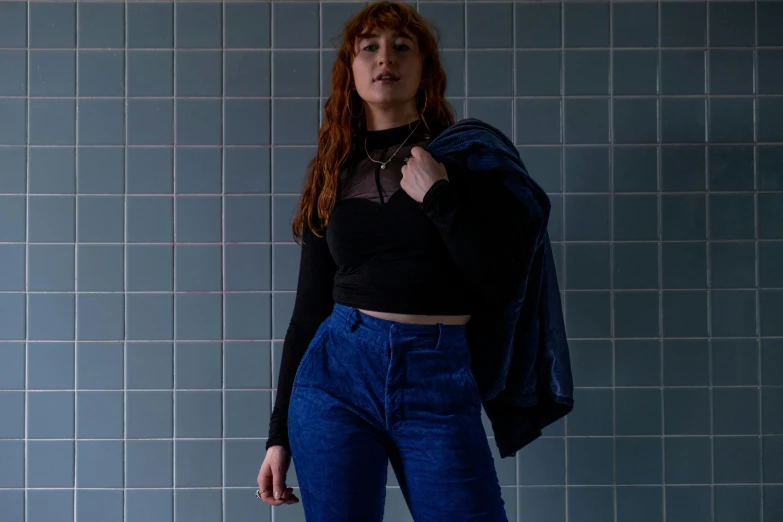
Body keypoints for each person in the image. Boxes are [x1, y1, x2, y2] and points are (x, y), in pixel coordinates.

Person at [256, 2, 573, 521]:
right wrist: (278, 437)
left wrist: (440, 198)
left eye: (402, 47)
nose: (386, 58)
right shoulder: (333, 172)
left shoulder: (466, 159)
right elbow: (308, 311)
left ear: (425, 69)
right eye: (370, 48)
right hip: (335, 375)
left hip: (436, 377)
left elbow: (501, 283)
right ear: (350, 70)